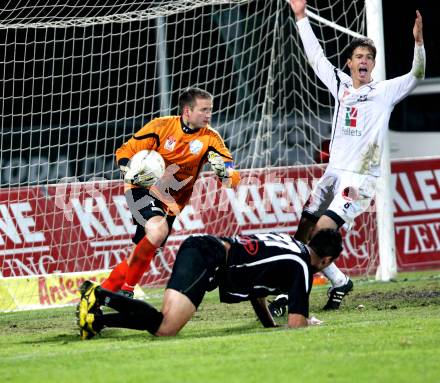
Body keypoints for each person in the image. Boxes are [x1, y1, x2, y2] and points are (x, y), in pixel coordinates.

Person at [268, 0, 426, 314]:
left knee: (324, 230)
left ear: (373, 64)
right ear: (350, 63)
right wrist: (300, 16)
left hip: (357, 181)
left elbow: (417, 75)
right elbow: (316, 59)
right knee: (303, 234)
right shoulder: (340, 84)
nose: (364, 61)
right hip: (333, 174)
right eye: (359, 57)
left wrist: (418, 44)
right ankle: (340, 282)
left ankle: (289, 295)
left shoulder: (385, 92)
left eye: (369, 57)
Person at [77, 229, 343, 339]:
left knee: (162, 323)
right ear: (327, 259)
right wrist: (309, 322)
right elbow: (296, 324)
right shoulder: (301, 265)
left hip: (204, 248)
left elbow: (256, 289)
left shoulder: (291, 243)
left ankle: (96, 320)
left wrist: (269, 325)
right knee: (165, 328)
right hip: (209, 256)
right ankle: (99, 295)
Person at [101, 87, 240, 297]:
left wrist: (227, 175)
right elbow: (125, 151)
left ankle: (100, 295)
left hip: (172, 203)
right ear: (187, 111)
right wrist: (129, 170)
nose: (208, 115)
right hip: (142, 190)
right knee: (157, 231)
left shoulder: (211, 139)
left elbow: (230, 176)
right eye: (203, 110)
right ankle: (127, 292)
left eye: (210, 110)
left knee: (142, 252)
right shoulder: (161, 126)